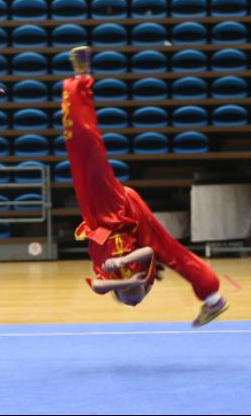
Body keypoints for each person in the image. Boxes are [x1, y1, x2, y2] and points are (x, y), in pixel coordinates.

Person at [63, 46, 228, 327]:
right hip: (118, 213)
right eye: (138, 298)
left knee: (81, 154)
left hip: (102, 216)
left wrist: (118, 276)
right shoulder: (142, 273)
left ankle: (212, 299)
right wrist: (126, 267)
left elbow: (98, 287)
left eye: (128, 299)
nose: (133, 299)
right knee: (90, 149)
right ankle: (82, 80)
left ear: (117, 292)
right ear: (145, 286)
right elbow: (149, 252)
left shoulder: (107, 276)